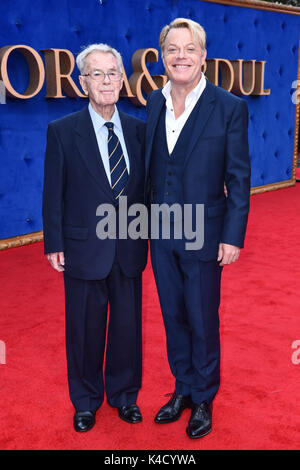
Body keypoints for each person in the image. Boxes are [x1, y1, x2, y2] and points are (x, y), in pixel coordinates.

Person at [145, 18, 251, 439]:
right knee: (173, 317)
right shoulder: (153, 102)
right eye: (173, 49)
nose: (181, 56)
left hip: (206, 234)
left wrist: (232, 234)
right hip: (159, 233)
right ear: (163, 58)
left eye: (190, 49)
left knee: (203, 318)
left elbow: (239, 178)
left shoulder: (228, 107)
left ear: (204, 56)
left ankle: (204, 398)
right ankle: (183, 388)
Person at [42, 43, 148, 432]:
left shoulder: (140, 131)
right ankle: (85, 400)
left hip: (130, 246)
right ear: (83, 81)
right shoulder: (62, 132)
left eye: (113, 73)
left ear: (123, 79)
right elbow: (53, 191)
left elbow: (150, 190)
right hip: (83, 246)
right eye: (97, 74)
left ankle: (125, 395)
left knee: (127, 326)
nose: (106, 81)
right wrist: (53, 241)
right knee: (83, 329)